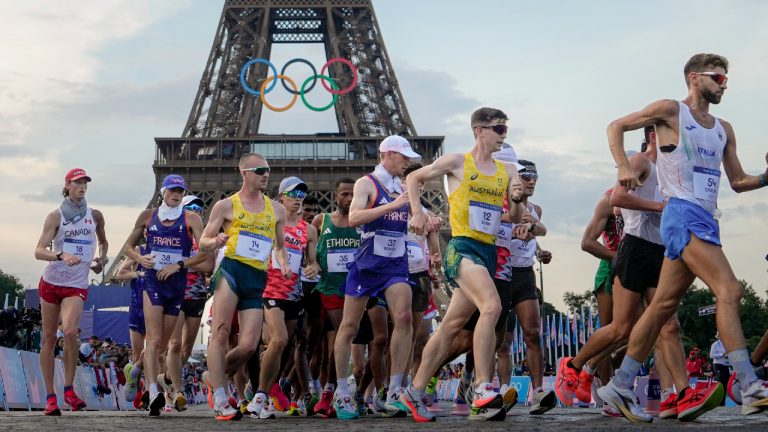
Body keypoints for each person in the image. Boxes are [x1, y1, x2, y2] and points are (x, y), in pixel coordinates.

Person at [598, 53, 768, 422]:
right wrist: (624, 166)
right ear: (694, 78)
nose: (724, 83)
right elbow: (615, 126)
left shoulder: (724, 127)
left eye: (726, 78)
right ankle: (750, 385)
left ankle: (620, 385)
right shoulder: (671, 111)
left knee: (661, 307)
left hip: (707, 218)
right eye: (717, 78)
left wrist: (766, 177)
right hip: (681, 213)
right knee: (730, 290)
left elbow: (738, 181)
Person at [401, 107, 525, 422]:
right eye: (499, 128)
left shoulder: (507, 170)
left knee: (451, 328)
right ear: (479, 130)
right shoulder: (458, 161)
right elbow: (415, 176)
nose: (503, 134)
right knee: (492, 307)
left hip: (488, 253)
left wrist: (519, 198)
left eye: (506, 129)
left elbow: (517, 217)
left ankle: (413, 392)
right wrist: (417, 212)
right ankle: (483, 388)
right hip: (462, 247)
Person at [557, 128, 688, 420]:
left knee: (667, 325)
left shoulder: (673, 169)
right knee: (621, 329)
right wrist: (659, 207)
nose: (679, 138)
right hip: (634, 249)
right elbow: (618, 197)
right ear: (653, 135)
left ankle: (679, 394)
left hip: (661, 251)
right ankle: (575, 366)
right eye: (673, 132)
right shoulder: (641, 162)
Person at [331, 135, 420, 419]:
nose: (408, 162)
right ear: (387, 154)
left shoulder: (404, 187)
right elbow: (355, 217)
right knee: (349, 326)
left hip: (395, 264)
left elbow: (417, 217)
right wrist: (393, 205)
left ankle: (395, 389)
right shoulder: (367, 183)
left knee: (404, 318)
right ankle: (342, 390)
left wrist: (427, 219)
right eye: (404, 157)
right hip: (368, 264)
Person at [199, 153, 288, 421]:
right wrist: (215, 242)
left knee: (250, 345)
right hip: (232, 271)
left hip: (257, 277)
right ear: (245, 173)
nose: (266, 174)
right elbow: (203, 240)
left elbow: (280, 246)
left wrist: (283, 264)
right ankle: (220, 394)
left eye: (268, 170)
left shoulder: (277, 210)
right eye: (260, 170)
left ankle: (212, 377)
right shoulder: (226, 206)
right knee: (222, 331)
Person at [123, 174, 207, 416]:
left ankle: (146, 378)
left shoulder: (192, 218)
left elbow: (204, 256)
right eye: (172, 190)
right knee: (156, 340)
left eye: (180, 191)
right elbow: (129, 245)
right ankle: (152, 391)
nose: (176, 194)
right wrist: (139, 258)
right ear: (163, 192)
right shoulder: (147, 216)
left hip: (177, 285)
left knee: (163, 349)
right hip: (153, 283)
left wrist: (179, 265)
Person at [35, 168, 108, 416]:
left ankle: (68, 388)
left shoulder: (95, 215)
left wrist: (102, 259)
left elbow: (104, 241)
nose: (82, 186)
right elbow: (39, 250)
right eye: (77, 182)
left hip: (76, 284)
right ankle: (50, 397)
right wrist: (60, 254)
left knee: (69, 332)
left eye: (85, 182)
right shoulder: (55, 217)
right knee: (48, 338)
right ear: (67, 186)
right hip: (52, 281)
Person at [249, 177, 319, 418]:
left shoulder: (309, 231)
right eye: (292, 194)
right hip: (270, 290)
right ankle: (260, 395)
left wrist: (314, 268)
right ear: (281, 197)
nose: (298, 199)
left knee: (284, 347)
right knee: (278, 340)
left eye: (301, 194)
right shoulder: (269, 223)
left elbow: (312, 262)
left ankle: (264, 393)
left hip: (294, 294)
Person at [310, 177, 360, 417]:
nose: (349, 199)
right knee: (342, 336)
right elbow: (311, 254)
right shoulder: (321, 221)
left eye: (353, 194)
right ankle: (336, 391)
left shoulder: (362, 222)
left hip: (358, 288)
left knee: (344, 340)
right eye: (344, 194)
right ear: (335, 195)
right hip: (330, 289)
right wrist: (314, 266)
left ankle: (333, 390)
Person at [160, 195, 215, 411]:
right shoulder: (173, 235)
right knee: (174, 345)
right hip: (176, 294)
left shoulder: (204, 240)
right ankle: (177, 390)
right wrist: (194, 263)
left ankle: (167, 378)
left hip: (197, 296)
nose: (195, 211)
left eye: (198, 208)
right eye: (190, 207)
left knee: (186, 350)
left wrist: (181, 263)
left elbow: (208, 265)